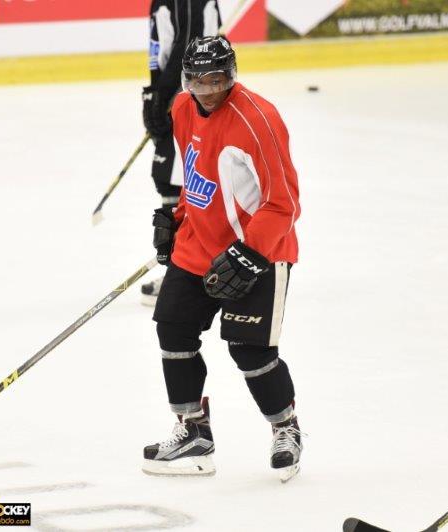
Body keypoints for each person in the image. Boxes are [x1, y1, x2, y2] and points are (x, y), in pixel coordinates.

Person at [142, 36, 303, 482]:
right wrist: (176, 218)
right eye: (199, 81)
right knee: (173, 328)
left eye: (217, 80)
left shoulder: (259, 119)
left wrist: (250, 253)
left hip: (260, 249)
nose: (209, 90)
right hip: (199, 245)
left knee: (250, 350)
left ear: (231, 75)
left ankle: (286, 428)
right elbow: (198, 175)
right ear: (186, 81)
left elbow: (285, 202)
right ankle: (194, 431)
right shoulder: (181, 108)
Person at [140, 0, 222, 306]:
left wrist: (162, 97)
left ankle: (184, 275)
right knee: (171, 182)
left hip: (185, 100)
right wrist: (156, 94)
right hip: (178, 98)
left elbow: (192, 50)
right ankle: (187, 271)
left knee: (178, 183)